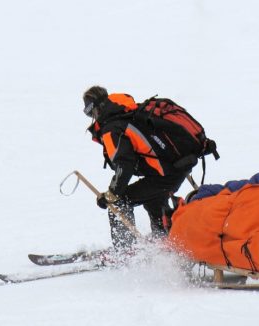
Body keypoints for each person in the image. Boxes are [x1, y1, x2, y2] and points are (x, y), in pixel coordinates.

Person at [83, 86, 196, 251]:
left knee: (120, 202)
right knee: (153, 196)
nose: (91, 117)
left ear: (96, 109)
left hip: (165, 175)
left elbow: (124, 164)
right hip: (175, 168)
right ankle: (163, 240)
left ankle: (125, 253)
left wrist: (111, 194)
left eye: (89, 112)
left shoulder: (112, 127)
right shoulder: (129, 112)